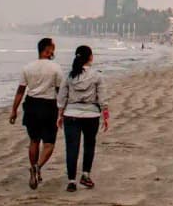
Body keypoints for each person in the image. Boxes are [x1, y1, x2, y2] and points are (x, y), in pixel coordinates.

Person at [9, 37, 64, 190]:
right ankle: (38, 166)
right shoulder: (56, 68)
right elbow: (60, 92)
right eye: (52, 49)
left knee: (34, 140)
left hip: (32, 105)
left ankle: (33, 166)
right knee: (49, 143)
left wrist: (14, 110)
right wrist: (62, 111)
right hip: (48, 105)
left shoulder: (28, 67)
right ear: (47, 50)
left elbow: (20, 91)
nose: (54, 52)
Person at [56, 45, 109, 192]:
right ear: (90, 57)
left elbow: (61, 98)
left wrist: (60, 115)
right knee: (89, 145)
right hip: (91, 114)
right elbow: (102, 99)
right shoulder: (97, 76)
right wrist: (105, 116)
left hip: (71, 114)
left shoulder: (69, 76)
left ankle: (71, 181)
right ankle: (85, 175)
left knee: (72, 148)